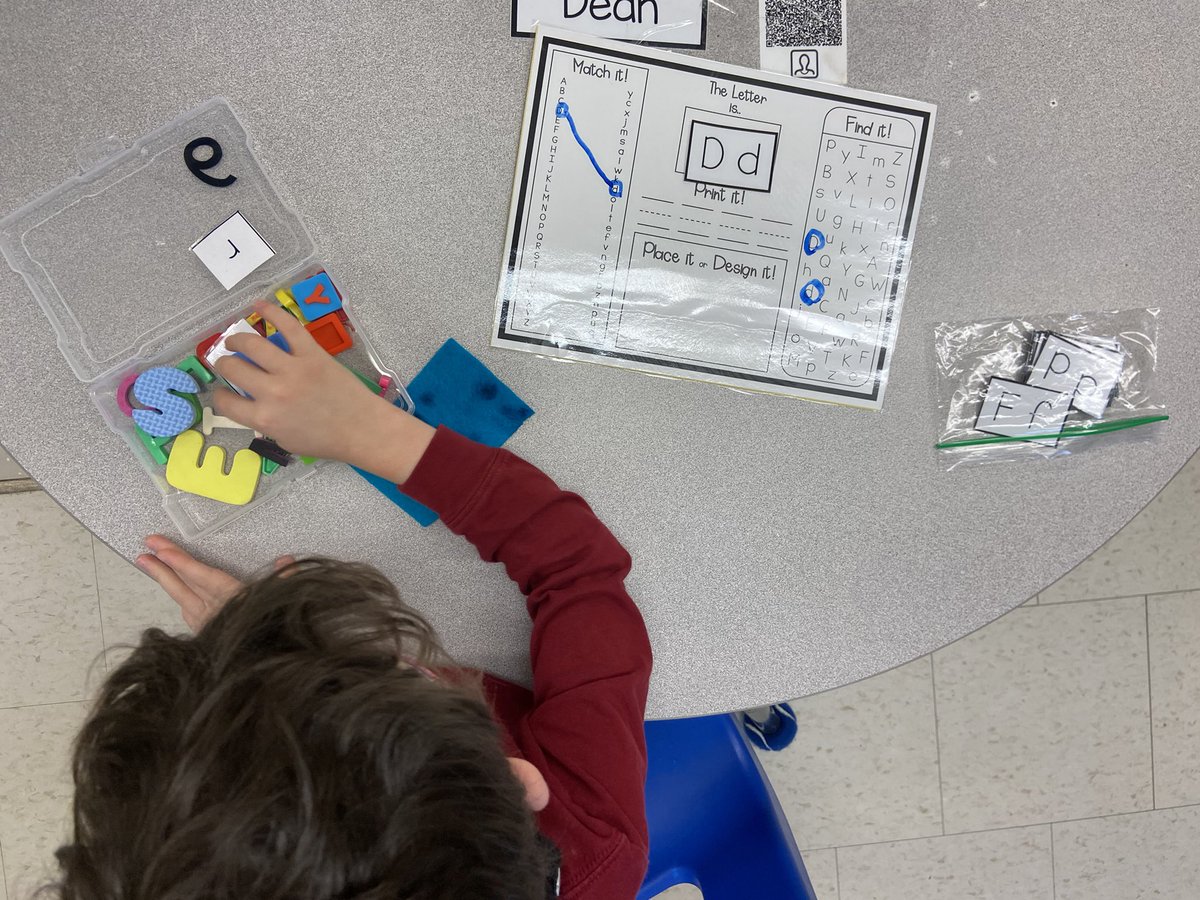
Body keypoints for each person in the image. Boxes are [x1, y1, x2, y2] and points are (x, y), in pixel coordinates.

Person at [52, 301, 653, 899]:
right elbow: (580, 574)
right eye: (379, 669)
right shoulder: (595, 849)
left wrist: (254, 663)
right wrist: (377, 434)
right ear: (520, 784)